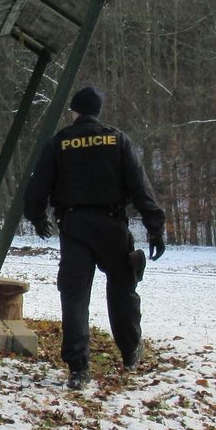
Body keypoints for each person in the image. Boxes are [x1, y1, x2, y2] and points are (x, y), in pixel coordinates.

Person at [24, 84, 166, 389]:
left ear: (75, 111)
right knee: (123, 288)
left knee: (74, 295)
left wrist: (37, 217)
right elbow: (139, 187)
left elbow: (38, 185)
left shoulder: (60, 142)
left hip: (74, 226)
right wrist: (155, 227)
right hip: (112, 225)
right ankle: (130, 351)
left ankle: (78, 368)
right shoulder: (117, 139)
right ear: (97, 112)